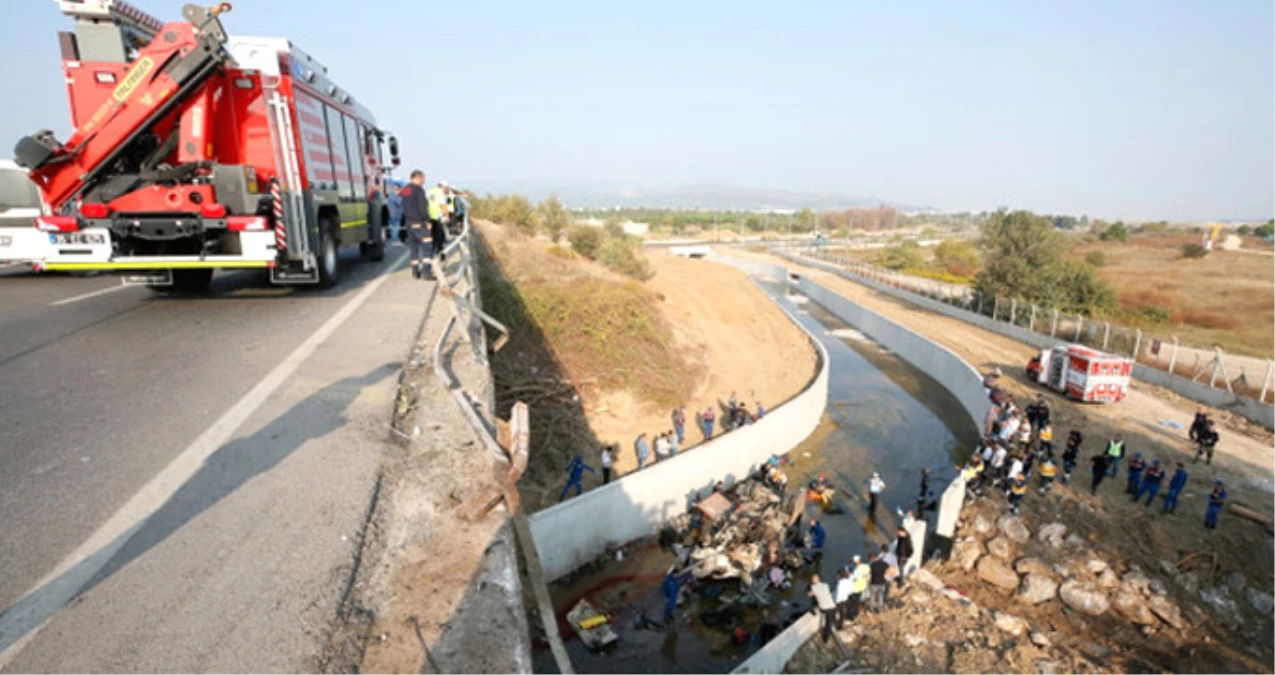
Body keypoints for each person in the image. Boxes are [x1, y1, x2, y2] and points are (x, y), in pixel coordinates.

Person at [400, 170, 430, 279]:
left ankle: (415, 271)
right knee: (427, 248)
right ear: (418, 177)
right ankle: (427, 273)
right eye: (423, 178)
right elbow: (422, 207)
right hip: (420, 223)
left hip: (409, 222)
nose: (424, 181)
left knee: (413, 248)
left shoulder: (406, 189)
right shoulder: (418, 190)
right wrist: (426, 220)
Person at [807, 574, 838, 643]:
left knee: (828, 623)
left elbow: (809, 595)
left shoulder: (813, 587)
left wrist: (809, 591)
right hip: (832, 607)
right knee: (830, 622)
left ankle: (825, 638)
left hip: (823, 608)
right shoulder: (826, 585)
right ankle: (831, 628)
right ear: (819, 579)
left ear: (812, 581)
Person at [426, 180, 450, 265]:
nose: (446, 189)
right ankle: (439, 255)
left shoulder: (430, 191)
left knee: (432, 237)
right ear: (443, 186)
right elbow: (443, 205)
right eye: (446, 187)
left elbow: (426, 202)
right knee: (440, 237)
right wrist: (447, 216)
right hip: (437, 217)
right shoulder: (440, 193)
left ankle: (431, 254)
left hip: (429, 217)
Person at [848, 555, 870, 621]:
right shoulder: (866, 566)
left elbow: (853, 579)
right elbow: (869, 576)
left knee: (855, 602)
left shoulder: (856, 570)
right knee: (864, 600)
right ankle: (863, 611)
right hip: (864, 586)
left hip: (857, 588)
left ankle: (856, 614)